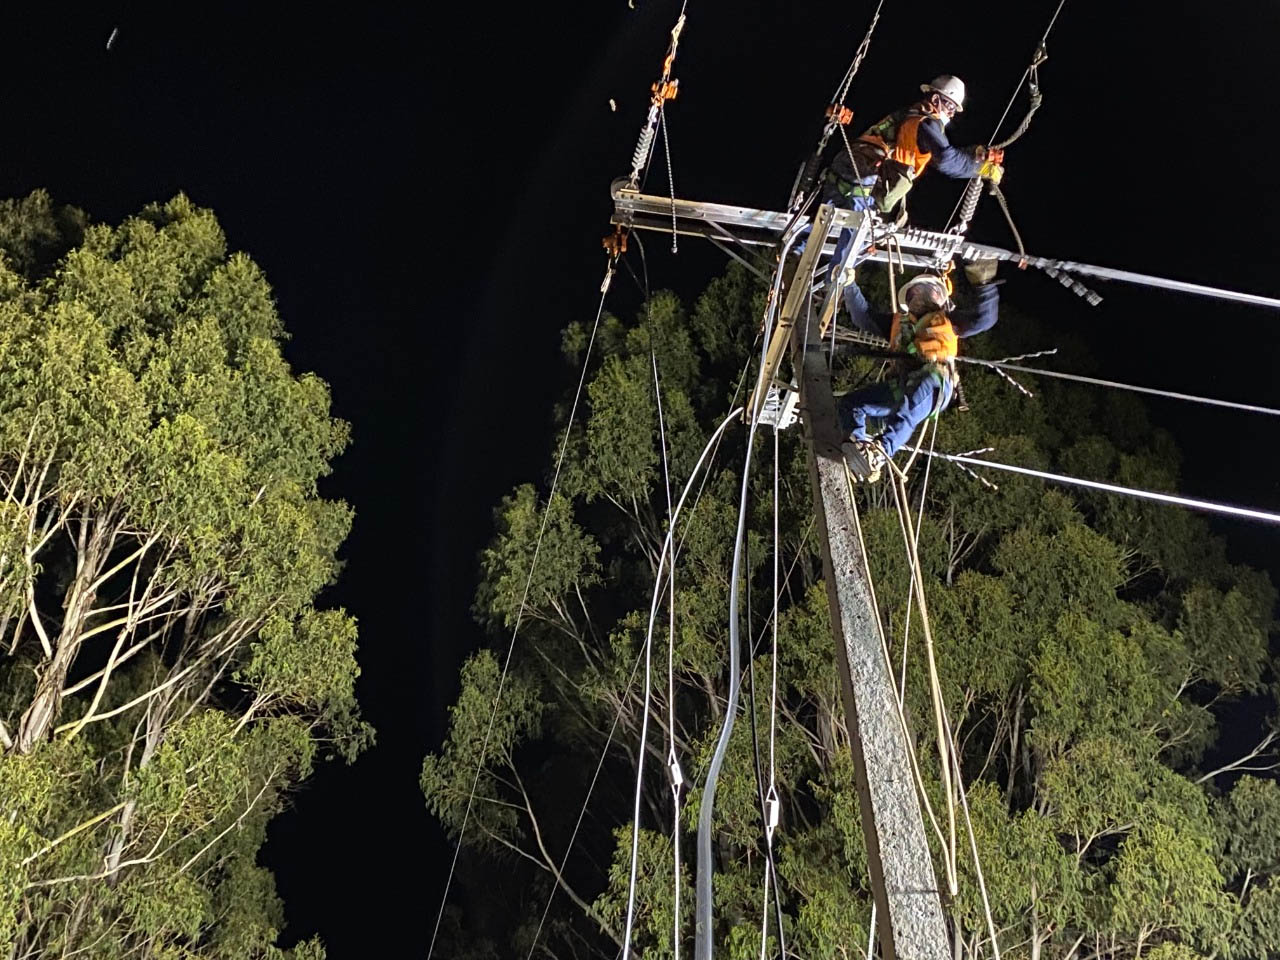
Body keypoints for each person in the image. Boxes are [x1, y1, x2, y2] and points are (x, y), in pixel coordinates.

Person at [821, 76, 1005, 296]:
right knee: (853, 235)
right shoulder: (926, 122)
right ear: (936, 99)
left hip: (843, 170)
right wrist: (982, 169)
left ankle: (796, 253)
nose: (951, 113)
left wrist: (976, 154)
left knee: (825, 225)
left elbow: (943, 151)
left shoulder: (908, 114)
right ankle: (834, 283)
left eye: (955, 109)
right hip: (862, 178)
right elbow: (947, 160)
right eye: (950, 106)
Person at [838, 259, 1000, 482]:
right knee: (852, 403)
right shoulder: (898, 323)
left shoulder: (948, 321)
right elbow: (863, 316)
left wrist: (984, 282)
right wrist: (849, 285)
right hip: (901, 385)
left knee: (909, 405)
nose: (921, 295)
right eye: (916, 292)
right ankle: (858, 448)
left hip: (935, 381)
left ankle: (879, 453)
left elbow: (984, 318)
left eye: (929, 291)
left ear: (941, 299)